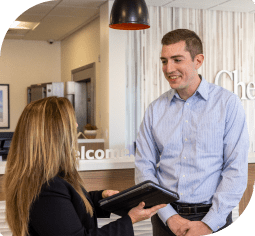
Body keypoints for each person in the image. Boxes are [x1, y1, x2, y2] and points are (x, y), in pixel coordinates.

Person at [135, 29, 249, 236]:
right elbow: (144, 169)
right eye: (164, 61)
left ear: (198, 60)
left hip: (214, 219)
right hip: (165, 219)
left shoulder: (227, 104)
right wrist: (169, 216)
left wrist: (208, 224)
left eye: (177, 60)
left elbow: (236, 169)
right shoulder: (154, 109)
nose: (169, 68)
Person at [4, 96, 166, 236]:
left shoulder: (47, 178)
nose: (75, 125)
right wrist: (130, 219)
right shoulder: (47, 187)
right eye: (71, 121)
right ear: (55, 132)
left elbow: (65, 210)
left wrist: (100, 198)